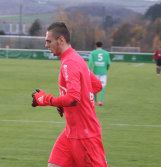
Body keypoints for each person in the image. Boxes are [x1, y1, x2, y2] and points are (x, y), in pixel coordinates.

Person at [31, 22, 108, 167]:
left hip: (85, 135)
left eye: (49, 41)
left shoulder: (70, 63)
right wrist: (65, 104)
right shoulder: (74, 58)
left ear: (61, 40)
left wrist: (46, 100)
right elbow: (96, 85)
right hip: (70, 132)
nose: (46, 45)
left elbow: (73, 98)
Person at [89, 41, 111, 106]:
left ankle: (95, 101)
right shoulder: (106, 53)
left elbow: (90, 63)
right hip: (103, 72)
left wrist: (89, 71)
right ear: (102, 46)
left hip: (95, 72)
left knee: (94, 86)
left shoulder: (93, 52)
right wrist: (106, 69)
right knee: (102, 86)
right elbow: (109, 63)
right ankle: (100, 101)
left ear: (96, 46)